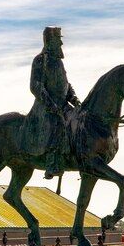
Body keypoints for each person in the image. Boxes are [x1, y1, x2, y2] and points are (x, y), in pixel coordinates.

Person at [28, 26, 81, 179]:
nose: (61, 44)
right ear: (49, 41)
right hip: (45, 107)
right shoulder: (40, 60)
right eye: (58, 40)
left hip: (62, 105)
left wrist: (75, 100)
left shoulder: (58, 62)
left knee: (80, 122)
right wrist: (51, 105)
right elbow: (36, 86)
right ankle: (52, 163)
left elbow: (66, 84)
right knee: (57, 124)